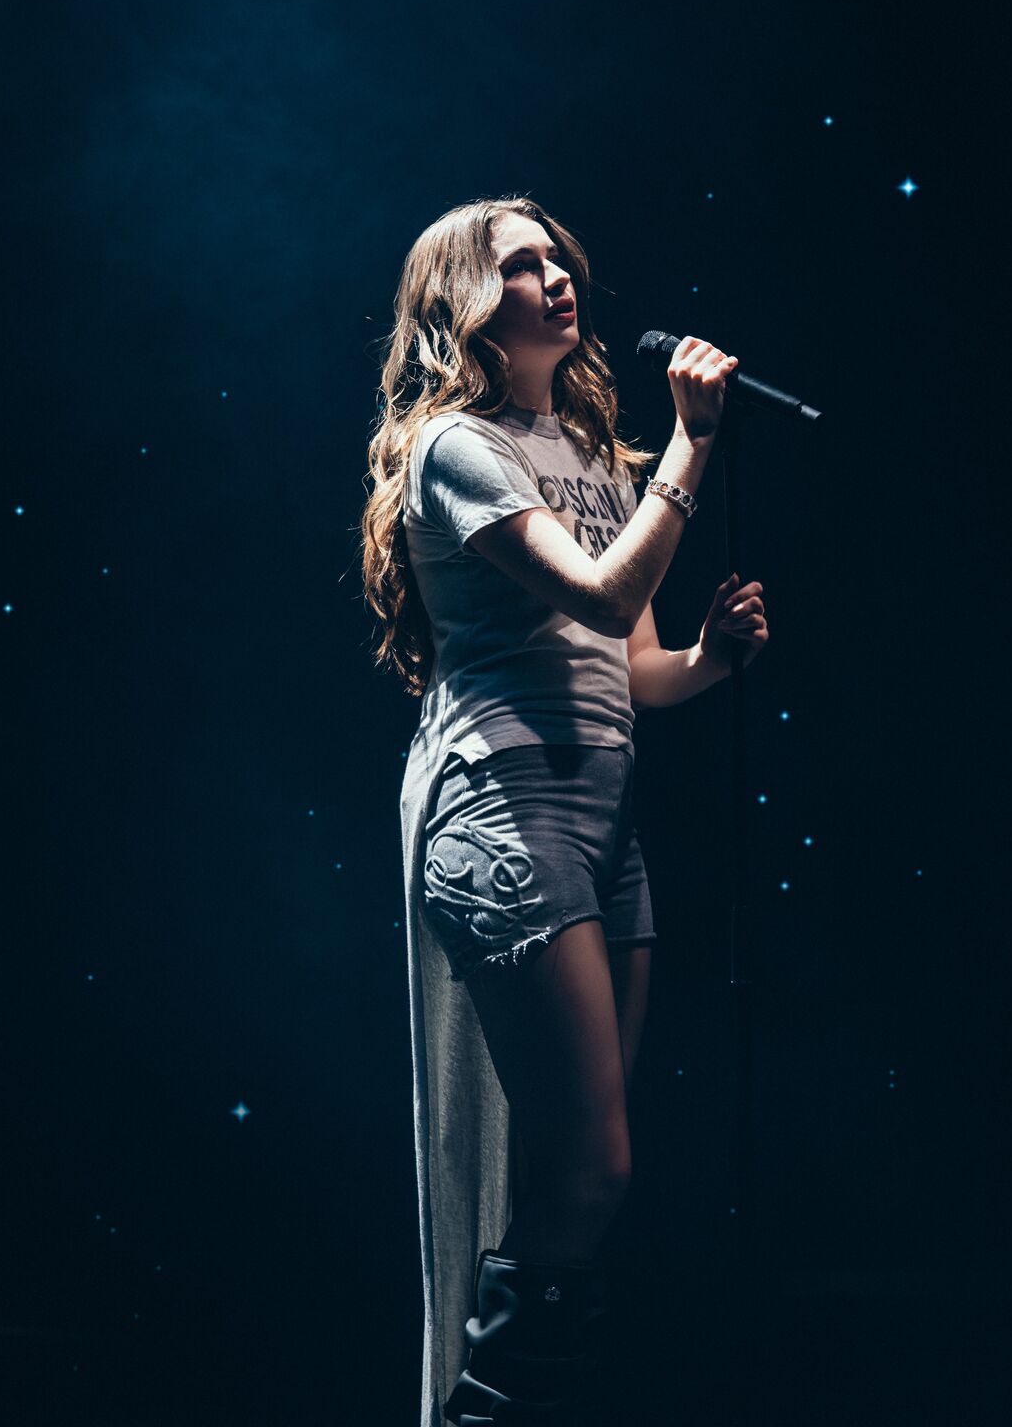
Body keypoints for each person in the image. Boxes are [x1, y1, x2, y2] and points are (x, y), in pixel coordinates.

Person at [360, 195, 769, 1426]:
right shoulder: (454, 447)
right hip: (504, 804)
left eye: (557, 258)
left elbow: (629, 665)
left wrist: (707, 659)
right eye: (520, 265)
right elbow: (596, 595)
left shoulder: (590, 454)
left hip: (603, 813)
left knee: (576, 1175)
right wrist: (691, 445)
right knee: (592, 1172)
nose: (554, 277)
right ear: (463, 305)